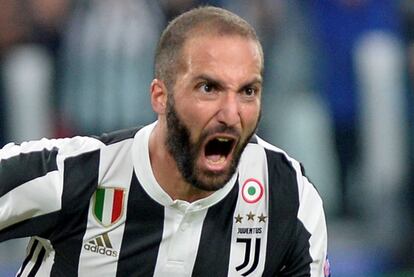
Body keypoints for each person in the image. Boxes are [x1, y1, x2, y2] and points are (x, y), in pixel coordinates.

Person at [0, 6, 329, 276]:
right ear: (160, 96)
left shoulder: (290, 197)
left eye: (248, 91)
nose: (231, 114)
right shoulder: (76, 174)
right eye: (208, 88)